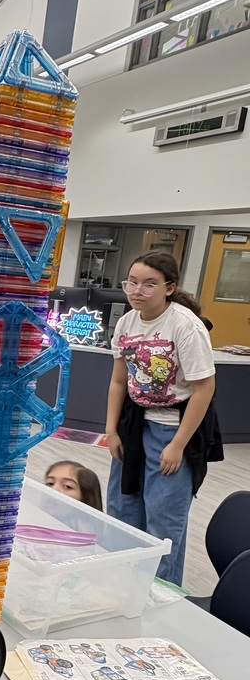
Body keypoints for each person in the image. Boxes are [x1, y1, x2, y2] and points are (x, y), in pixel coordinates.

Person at [105, 250, 222, 586]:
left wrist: (177, 445)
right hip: (133, 423)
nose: (137, 291)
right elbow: (118, 380)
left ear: (169, 287)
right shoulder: (127, 323)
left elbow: (204, 389)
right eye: (132, 282)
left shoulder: (185, 325)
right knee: (124, 509)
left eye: (149, 284)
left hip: (172, 427)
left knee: (164, 521)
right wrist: (111, 430)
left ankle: (162, 595)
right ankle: (123, 585)